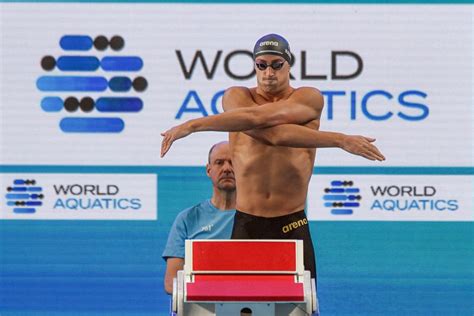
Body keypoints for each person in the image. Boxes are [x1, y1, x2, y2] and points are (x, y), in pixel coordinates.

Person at [161, 34, 385, 281]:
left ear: (289, 65)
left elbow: (271, 131)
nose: (269, 72)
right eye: (262, 65)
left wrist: (192, 126)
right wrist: (340, 140)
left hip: (292, 224)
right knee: (242, 306)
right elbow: (266, 127)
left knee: (300, 306)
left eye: (277, 65)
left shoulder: (309, 98)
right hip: (247, 222)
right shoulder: (236, 96)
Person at [162, 141, 236, 294]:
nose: (227, 168)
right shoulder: (187, 219)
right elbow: (172, 283)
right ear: (209, 170)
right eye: (219, 163)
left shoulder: (258, 218)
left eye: (233, 162)